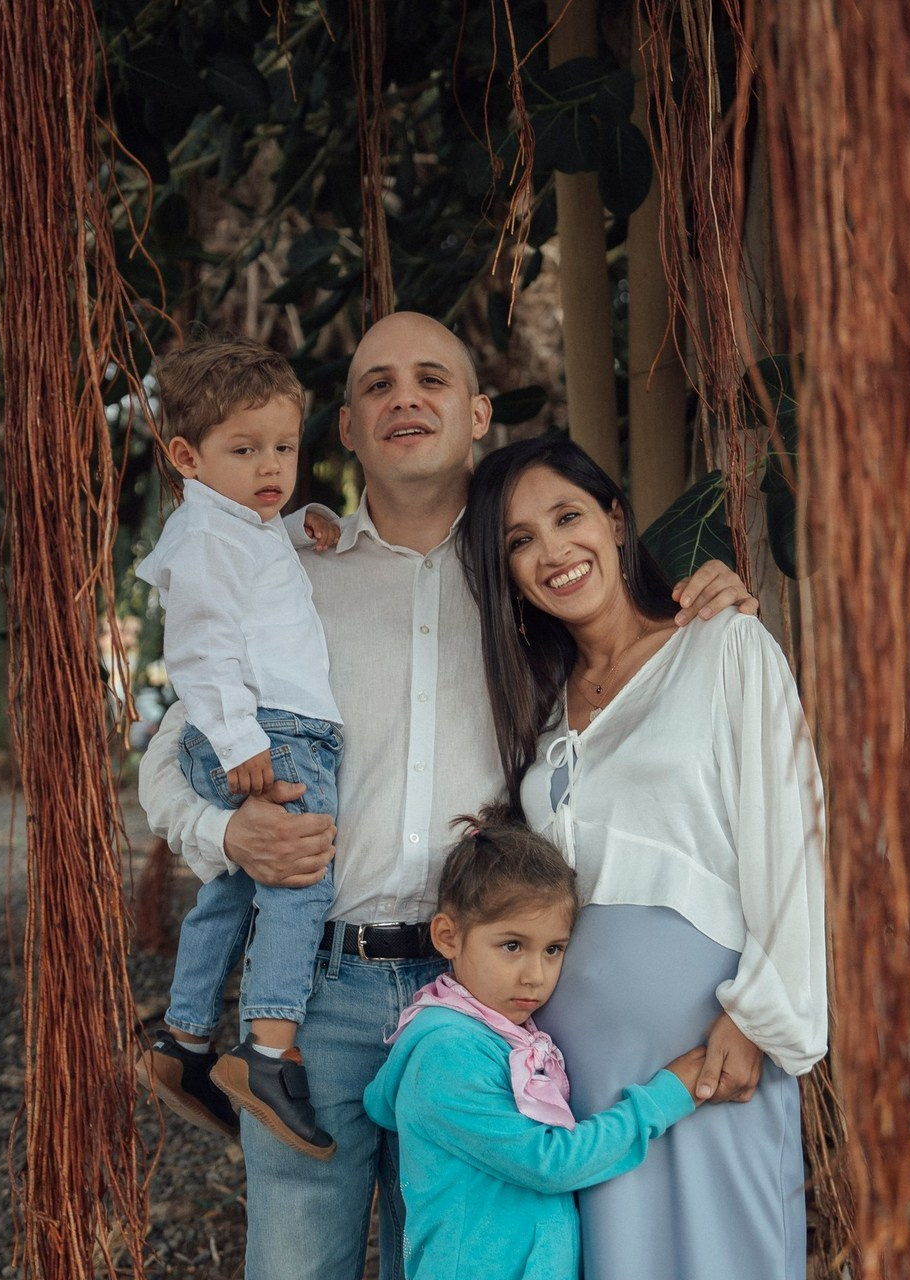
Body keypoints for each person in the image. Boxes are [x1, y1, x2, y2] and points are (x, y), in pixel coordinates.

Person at [138, 310, 758, 1280]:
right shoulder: (284, 570)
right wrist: (227, 832)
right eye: (376, 384)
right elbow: (170, 755)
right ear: (346, 428)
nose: (405, 398)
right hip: (315, 991)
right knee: (295, 1262)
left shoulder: (535, 581)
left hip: (482, 997)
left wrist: (704, 598)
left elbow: (629, 659)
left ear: (477, 413)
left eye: (431, 378)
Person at [457, 434, 828, 1280]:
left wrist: (760, 1017)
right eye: (520, 541)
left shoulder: (723, 647)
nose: (553, 551)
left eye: (568, 517)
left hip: (709, 1050)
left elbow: (792, 840)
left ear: (616, 522)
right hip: (580, 1079)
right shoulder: (538, 711)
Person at [134, 336, 344, 1158]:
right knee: (300, 882)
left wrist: (296, 525)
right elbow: (201, 648)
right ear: (187, 457)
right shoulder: (208, 538)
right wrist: (238, 741)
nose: (271, 466)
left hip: (269, 728)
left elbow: (252, 573)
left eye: (283, 448)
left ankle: (186, 1041)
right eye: (245, 449)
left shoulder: (236, 526)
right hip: (272, 733)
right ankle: (267, 1051)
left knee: (232, 889)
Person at [364, 812, 708, 1280]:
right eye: (512, 946)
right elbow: (549, 1164)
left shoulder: (510, 1036)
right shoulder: (446, 1054)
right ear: (448, 937)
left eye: (553, 949)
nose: (535, 976)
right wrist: (665, 1098)